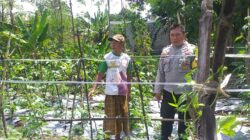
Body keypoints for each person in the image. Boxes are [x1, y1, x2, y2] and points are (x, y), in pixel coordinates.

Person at [154, 23, 196, 140]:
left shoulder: (192, 50)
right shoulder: (165, 51)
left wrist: (197, 92)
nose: (175, 38)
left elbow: (197, 73)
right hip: (168, 92)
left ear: (184, 35)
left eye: (178, 34)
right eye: (172, 35)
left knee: (184, 123)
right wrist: (157, 90)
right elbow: (160, 72)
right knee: (166, 121)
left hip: (186, 94)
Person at [89, 34, 132, 140]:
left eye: (115, 42)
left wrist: (129, 92)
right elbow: (100, 74)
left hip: (122, 93)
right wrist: (94, 88)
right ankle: (108, 137)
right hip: (111, 93)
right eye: (111, 42)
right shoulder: (107, 58)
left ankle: (119, 137)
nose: (112, 44)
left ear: (121, 44)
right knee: (111, 117)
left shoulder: (127, 58)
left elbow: (129, 76)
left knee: (122, 116)